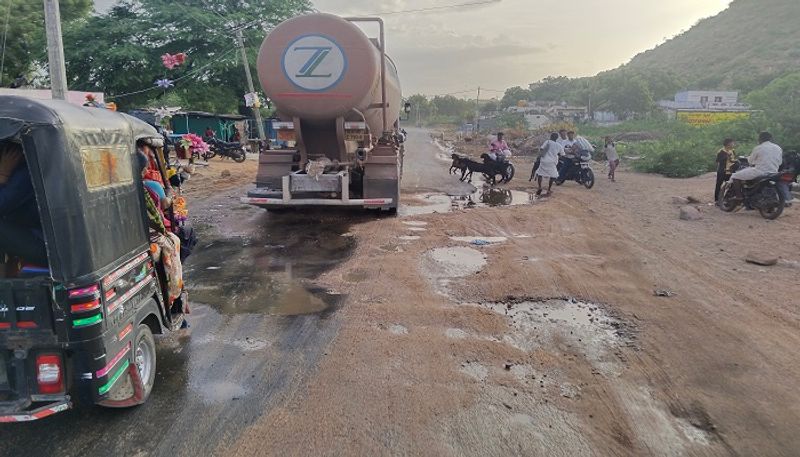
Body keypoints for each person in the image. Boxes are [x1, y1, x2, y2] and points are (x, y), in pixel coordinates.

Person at [0, 142, 47, 268]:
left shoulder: (25, 173)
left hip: (45, 245)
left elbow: (2, 203)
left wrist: (2, 175)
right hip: (29, 231)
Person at [730, 132, 783, 200]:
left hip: (760, 171)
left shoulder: (759, 148)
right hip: (773, 172)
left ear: (760, 139)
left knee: (735, 176)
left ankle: (739, 197)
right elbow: (780, 162)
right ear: (770, 139)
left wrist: (748, 158)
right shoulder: (778, 148)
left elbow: (750, 161)